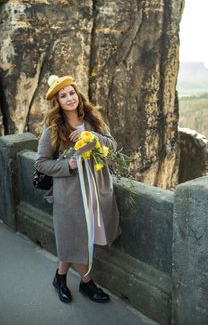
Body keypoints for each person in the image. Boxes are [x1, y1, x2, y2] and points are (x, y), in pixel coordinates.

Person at [35, 75, 121, 304]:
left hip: (96, 190)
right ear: (58, 103)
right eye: (63, 96)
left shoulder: (93, 120)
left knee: (76, 238)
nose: (69, 98)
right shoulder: (53, 130)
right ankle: (87, 283)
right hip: (70, 196)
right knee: (75, 237)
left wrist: (92, 137)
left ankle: (60, 277)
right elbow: (41, 163)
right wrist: (68, 165)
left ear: (78, 94)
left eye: (71, 93)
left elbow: (112, 146)